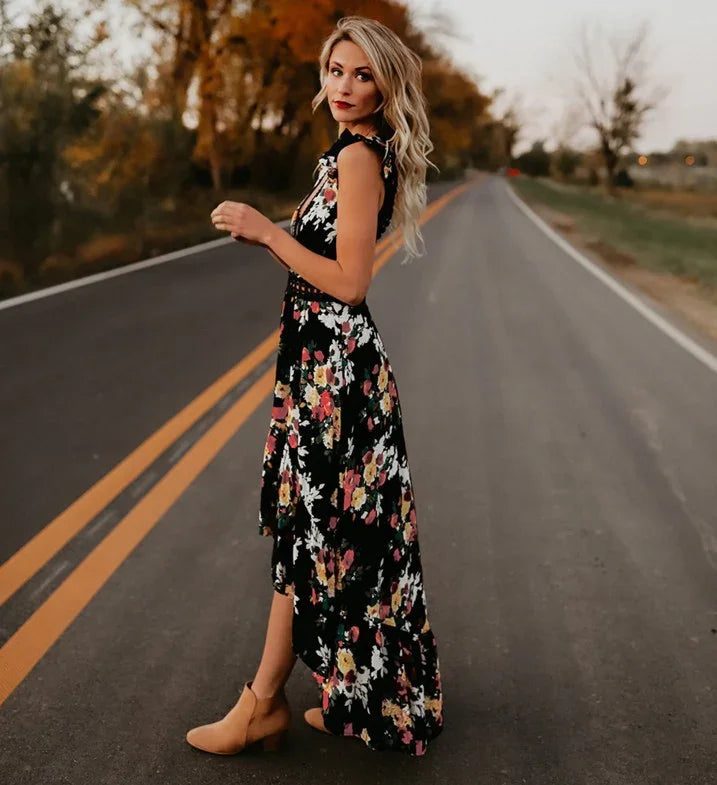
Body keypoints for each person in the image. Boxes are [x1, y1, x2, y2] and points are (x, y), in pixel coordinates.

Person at [186, 15, 444, 758]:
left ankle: (260, 703)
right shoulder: (344, 155)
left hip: (339, 381)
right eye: (336, 70)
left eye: (364, 75)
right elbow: (317, 268)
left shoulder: (361, 157)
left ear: (384, 86)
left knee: (309, 537)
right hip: (318, 369)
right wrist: (275, 236)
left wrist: (269, 231)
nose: (345, 86)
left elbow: (350, 282)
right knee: (322, 538)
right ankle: (357, 703)